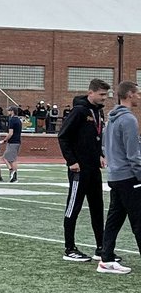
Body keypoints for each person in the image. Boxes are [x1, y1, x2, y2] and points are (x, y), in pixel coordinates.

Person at [58, 78, 109, 262]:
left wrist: (100, 155)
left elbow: (96, 137)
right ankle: (69, 248)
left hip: (93, 168)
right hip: (79, 169)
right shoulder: (79, 111)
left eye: (106, 94)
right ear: (91, 93)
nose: (105, 98)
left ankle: (101, 247)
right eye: (102, 94)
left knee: (97, 208)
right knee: (74, 207)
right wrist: (71, 161)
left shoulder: (98, 112)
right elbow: (63, 136)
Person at [99, 81, 141, 274]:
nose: (139, 97)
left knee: (114, 219)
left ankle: (106, 259)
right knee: (138, 220)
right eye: (138, 93)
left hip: (115, 176)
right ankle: (106, 259)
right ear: (129, 95)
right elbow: (134, 155)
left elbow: (105, 147)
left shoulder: (111, 119)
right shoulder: (129, 120)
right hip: (128, 177)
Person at [3, 106, 23, 182]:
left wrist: (5, 140)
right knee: (12, 158)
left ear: (12, 111)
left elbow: (11, 133)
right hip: (17, 141)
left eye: (9, 111)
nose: (8, 112)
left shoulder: (12, 120)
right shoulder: (18, 120)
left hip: (13, 142)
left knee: (7, 158)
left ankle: (12, 171)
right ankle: (13, 174)